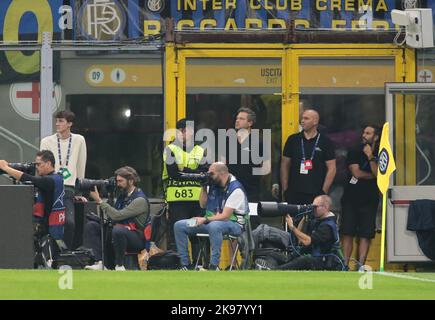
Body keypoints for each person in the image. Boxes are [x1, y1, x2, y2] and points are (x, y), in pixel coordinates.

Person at [174, 162, 249, 270]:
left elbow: (225, 216)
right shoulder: (213, 185)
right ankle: (185, 264)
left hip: (234, 225)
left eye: (211, 174)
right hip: (209, 222)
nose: (208, 176)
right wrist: (204, 187)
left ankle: (214, 266)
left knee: (214, 226)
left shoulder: (236, 189)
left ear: (222, 174)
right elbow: (202, 204)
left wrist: (204, 219)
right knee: (179, 226)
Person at [83, 166, 149, 271]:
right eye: (117, 181)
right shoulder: (122, 196)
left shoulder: (139, 199)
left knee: (118, 230)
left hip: (136, 236)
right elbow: (112, 218)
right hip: (120, 231)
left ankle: (119, 265)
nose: (117, 184)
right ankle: (100, 262)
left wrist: (100, 201)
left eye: (120, 181)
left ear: (131, 181)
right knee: (92, 226)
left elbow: (118, 216)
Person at [254, 195, 344, 271]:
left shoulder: (328, 226)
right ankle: (269, 266)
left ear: (326, 208)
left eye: (315, 207)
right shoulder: (317, 219)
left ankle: (274, 270)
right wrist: (304, 218)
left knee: (304, 260)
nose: (313, 209)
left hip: (324, 260)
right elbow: (300, 240)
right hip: (311, 255)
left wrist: (292, 227)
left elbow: (307, 241)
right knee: (273, 254)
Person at [40, 110, 87, 250]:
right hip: (51, 186)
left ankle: (65, 254)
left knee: (69, 223)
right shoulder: (47, 141)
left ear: (70, 124)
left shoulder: (79, 140)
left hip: (68, 189)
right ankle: (48, 255)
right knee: (47, 222)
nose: (57, 124)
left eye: (61, 121)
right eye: (57, 121)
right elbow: (43, 166)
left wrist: (79, 192)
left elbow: (81, 166)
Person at [0, 150, 66, 243]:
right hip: (55, 227)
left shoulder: (49, 181)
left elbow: (30, 179)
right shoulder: (58, 178)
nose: (36, 167)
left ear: (48, 163)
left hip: (48, 229)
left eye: (39, 164)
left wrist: (6, 168)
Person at [162, 118, 207, 251]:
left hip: (196, 201)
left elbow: (204, 172)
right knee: (178, 234)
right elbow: (173, 173)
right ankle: (181, 263)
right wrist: (196, 173)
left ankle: (197, 264)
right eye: (188, 130)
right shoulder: (170, 149)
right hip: (177, 200)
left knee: (197, 235)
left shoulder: (199, 150)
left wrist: (185, 170)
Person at [340, 125, 381, 269]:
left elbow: (380, 174)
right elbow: (356, 173)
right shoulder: (354, 150)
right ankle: (345, 264)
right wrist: (373, 176)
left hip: (370, 199)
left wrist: (370, 157)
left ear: (376, 137)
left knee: (366, 233)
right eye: (363, 132)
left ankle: (361, 265)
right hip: (351, 198)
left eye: (368, 133)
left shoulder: (380, 153)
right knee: (347, 231)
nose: (364, 135)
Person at [280, 109, 336, 206]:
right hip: (294, 192)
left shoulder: (325, 142)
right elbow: (285, 164)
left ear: (315, 121)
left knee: (314, 220)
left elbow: (332, 168)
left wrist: (324, 191)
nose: (302, 121)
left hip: (316, 193)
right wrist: (285, 188)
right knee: (294, 220)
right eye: (302, 118)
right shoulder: (293, 139)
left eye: (306, 118)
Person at [224, 107, 270, 203]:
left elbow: (266, 168)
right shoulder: (228, 141)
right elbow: (222, 164)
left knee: (251, 216)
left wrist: (253, 178)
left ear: (250, 123)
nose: (237, 120)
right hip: (230, 188)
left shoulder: (259, 143)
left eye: (241, 119)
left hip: (251, 190)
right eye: (237, 118)